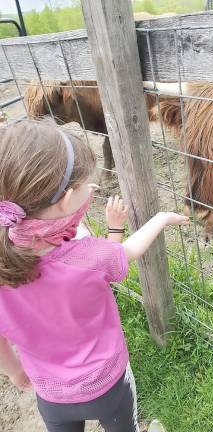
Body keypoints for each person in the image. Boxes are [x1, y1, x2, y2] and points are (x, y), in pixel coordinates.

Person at [0, 120, 188, 432]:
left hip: (51, 394)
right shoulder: (90, 256)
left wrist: (14, 372)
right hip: (108, 385)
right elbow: (124, 255)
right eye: (85, 187)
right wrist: (160, 218)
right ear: (66, 199)